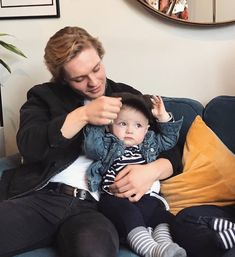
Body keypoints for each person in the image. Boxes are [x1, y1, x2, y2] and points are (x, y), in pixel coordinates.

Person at [0, 26, 182, 257]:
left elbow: (171, 149)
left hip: (98, 208)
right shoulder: (44, 96)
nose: (94, 82)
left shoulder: (128, 97)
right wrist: (82, 115)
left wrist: (152, 171)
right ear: (63, 79)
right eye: (79, 78)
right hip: (45, 198)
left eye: (97, 68)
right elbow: (29, 146)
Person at [84, 92, 186, 257]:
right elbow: (91, 147)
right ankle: (152, 250)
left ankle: (166, 246)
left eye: (138, 126)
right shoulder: (107, 143)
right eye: (123, 124)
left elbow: (169, 140)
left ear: (146, 130)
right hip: (116, 198)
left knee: (163, 216)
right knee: (128, 215)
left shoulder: (149, 142)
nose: (130, 130)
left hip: (148, 198)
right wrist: (98, 123)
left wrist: (163, 118)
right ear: (110, 125)